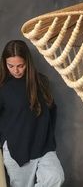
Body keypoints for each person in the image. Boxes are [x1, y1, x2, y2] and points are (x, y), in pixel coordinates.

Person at [0, 40, 64, 187]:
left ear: (27, 62)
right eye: (11, 66)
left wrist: (48, 138)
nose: (16, 70)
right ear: (4, 63)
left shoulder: (41, 81)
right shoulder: (3, 87)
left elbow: (52, 110)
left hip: (44, 147)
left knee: (55, 178)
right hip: (16, 150)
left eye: (20, 65)